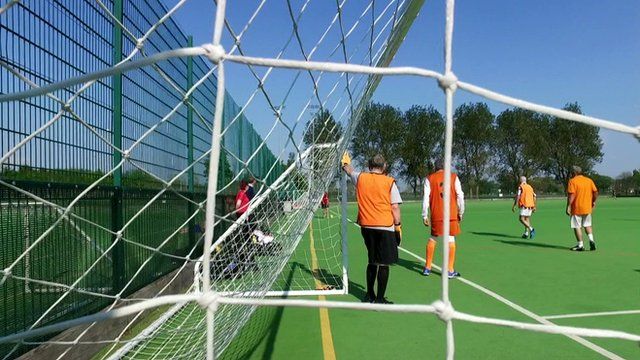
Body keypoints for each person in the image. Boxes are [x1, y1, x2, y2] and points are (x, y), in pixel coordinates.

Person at [341, 152, 402, 304]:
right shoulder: (389, 182)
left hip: (366, 225)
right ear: (384, 166)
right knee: (384, 263)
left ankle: (369, 294)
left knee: (372, 260)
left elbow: (348, 170)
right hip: (385, 225)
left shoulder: (361, 177)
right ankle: (380, 298)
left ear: (369, 166)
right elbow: (394, 207)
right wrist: (398, 226)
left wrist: (345, 162)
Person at [421, 159, 464, 279]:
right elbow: (460, 195)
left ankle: (427, 267)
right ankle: (450, 270)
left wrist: (424, 215)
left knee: (433, 238)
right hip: (451, 215)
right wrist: (461, 212)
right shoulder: (454, 177)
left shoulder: (429, 179)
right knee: (451, 239)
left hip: (437, 214)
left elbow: (425, 198)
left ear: (435, 167)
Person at [566, 166, 598, 251]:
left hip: (576, 207)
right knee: (587, 225)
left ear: (574, 172)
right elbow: (595, 192)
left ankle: (580, 245)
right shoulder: (589, 180)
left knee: (577, 226)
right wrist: (593, 201)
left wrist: (568, 206)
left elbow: (571, 195)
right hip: (587, 207)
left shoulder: (572, 181)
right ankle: (591, 240)